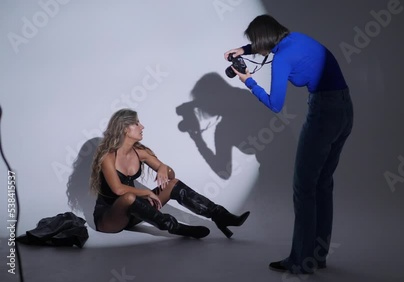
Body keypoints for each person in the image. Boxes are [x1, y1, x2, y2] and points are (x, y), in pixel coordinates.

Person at [224, 14, 353, 274]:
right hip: (345, 109)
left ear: (264, 40)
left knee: (304, 188)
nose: (254, 49)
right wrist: (245, 50)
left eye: (254, 43)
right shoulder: (297, 39)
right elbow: (270, 46)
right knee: (322, 185)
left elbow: (275, 103)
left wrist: (248, 81)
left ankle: (300, 261)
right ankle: (317, 256)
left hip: (323, 114)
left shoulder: (281, 58)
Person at [90, 108, 250, 239]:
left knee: (172, 184)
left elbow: (171, 175)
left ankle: (220, 216)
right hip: (109, 218)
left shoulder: (140, 152)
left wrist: (162, 167)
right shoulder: (108, 156)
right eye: (137, 123)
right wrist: (146, 192)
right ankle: (176, 228)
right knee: (129, 197)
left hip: (135, 212)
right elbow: (118, 189)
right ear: (125, 128)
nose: (142, 126)